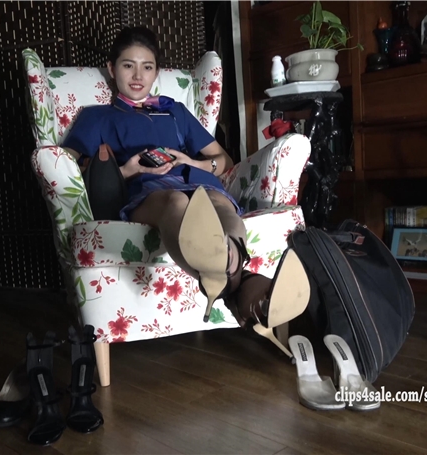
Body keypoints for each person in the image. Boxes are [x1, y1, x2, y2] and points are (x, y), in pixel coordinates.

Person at [61, 26, 310, 334]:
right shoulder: (96, 117)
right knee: (176, 201)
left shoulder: (175, 112)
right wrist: (127, 170)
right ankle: (246, 288)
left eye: (147, 67)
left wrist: (192, 162)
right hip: (145, 190)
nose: (138, 75)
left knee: (218, 203)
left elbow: (224, 161)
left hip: (197, 181)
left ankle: (229, 283)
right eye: (128, 65)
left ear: (156, 72)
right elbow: (67, 167)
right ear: (112, 69)